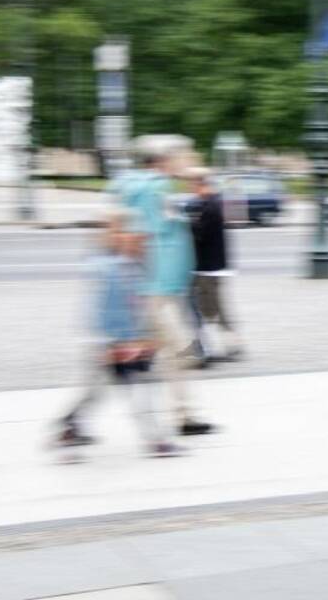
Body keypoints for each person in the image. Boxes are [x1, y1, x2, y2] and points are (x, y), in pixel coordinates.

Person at [109, 136, 214, 436]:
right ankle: (184, 415)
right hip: (154, 290)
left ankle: (185, 416)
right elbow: (138, 235)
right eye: (185, 155)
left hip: (163, 290)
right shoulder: (153, 188)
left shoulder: (159, 188)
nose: (190, 160)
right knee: (180, 351)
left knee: (172, 353)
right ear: (166, 160)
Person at [55, 210, 179, 457]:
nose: (145, 244)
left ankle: (70, 426)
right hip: (110, 342)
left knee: (97, 390)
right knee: (138, 390)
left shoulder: (130, 264)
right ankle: (156, 441)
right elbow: (104, 311)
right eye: (139, 238)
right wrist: (115, 345)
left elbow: (138, 306)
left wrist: (145, 338)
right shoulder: (110, 267)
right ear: (121, 236)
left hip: (118, 341)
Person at [187, 175, 243, 362]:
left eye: (194, 185)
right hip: (212, 267)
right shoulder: (212, 203)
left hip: (209, 268)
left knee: (211, 309)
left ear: (203, 185)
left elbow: (200, 235)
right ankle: (228, 344)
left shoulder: (210, 207)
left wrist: (189, 226)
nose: (192, 190)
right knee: (215, 308)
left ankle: (225, 346)